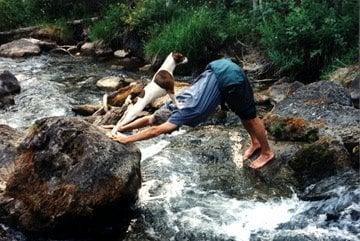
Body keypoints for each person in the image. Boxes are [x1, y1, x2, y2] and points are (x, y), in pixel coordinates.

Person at [111, 58, 274, 169]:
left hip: (230, 77)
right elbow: (149, 120)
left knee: (250, 117)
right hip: (218, 67)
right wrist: (121, 128)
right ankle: (255, 142)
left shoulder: (183, 115)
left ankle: (267, 152)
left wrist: (127, 139)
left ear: (173, 124)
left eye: (171, 129)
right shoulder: (173, 103)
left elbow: (155, 130)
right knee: (242, 113)